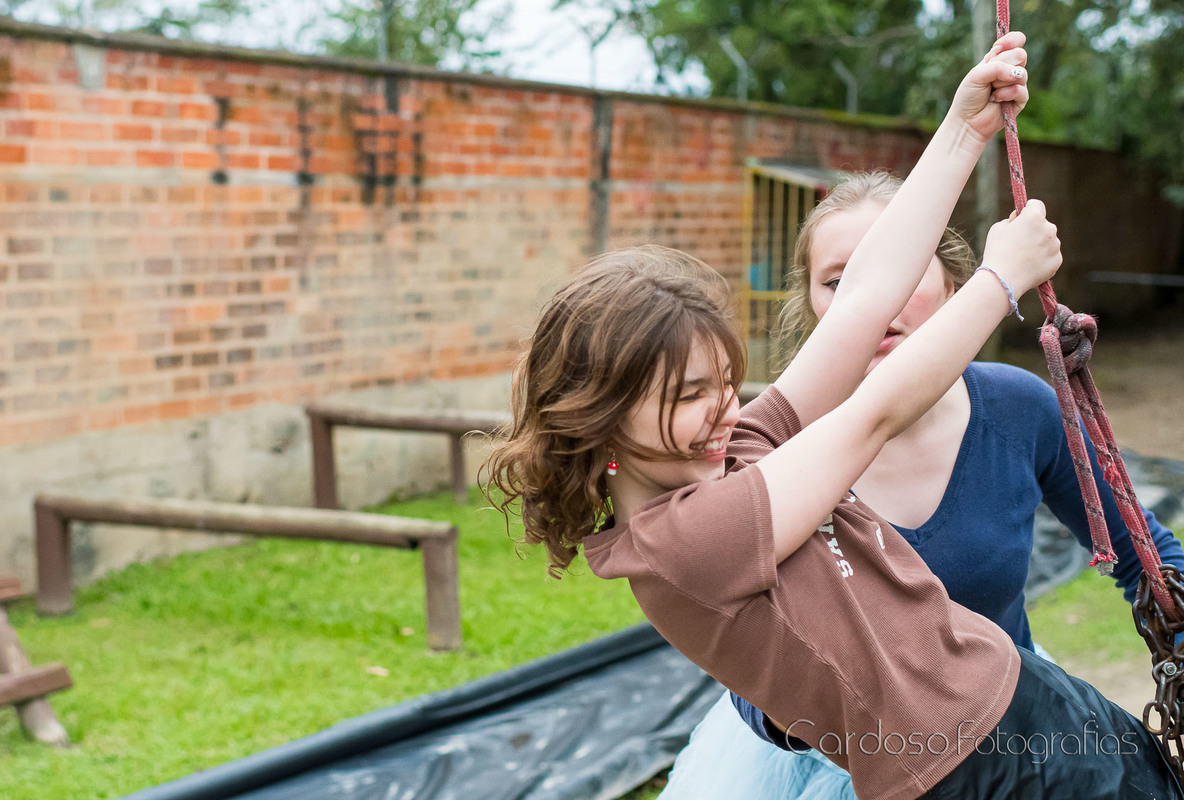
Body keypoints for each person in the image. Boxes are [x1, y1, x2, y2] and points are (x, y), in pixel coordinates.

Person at [485, 34, 1182, 799]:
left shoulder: (735, 451)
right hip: (970, 771)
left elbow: (863, 300)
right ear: (600, 418)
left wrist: (963, 130)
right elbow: (875, 413)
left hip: (1024, 700)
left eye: (725, 382)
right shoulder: (684, 544)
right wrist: (998, 280)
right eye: (688, 395)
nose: (723, 409)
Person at [656, 171, 1184, 800]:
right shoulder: (768, 451)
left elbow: (1147, 559)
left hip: (1009, 737)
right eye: (839, 283)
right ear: (815, 306)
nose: (876, 303)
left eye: (900, 272)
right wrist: (821, 718)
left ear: (955, 287)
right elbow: (746, 650)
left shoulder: (1021, 409)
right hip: (844, 766)